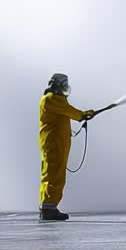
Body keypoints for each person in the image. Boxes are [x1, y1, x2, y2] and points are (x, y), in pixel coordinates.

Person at [38, 73, 94, 221]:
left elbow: (67, 113)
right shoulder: (52, 99)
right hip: (54, 143)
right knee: (55, 175)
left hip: (55, 142)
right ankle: (49, 208)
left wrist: (83, 115)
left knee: (50, 174)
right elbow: (72, 112)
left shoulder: (53, 100)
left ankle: (46, 206)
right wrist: (83, 115)